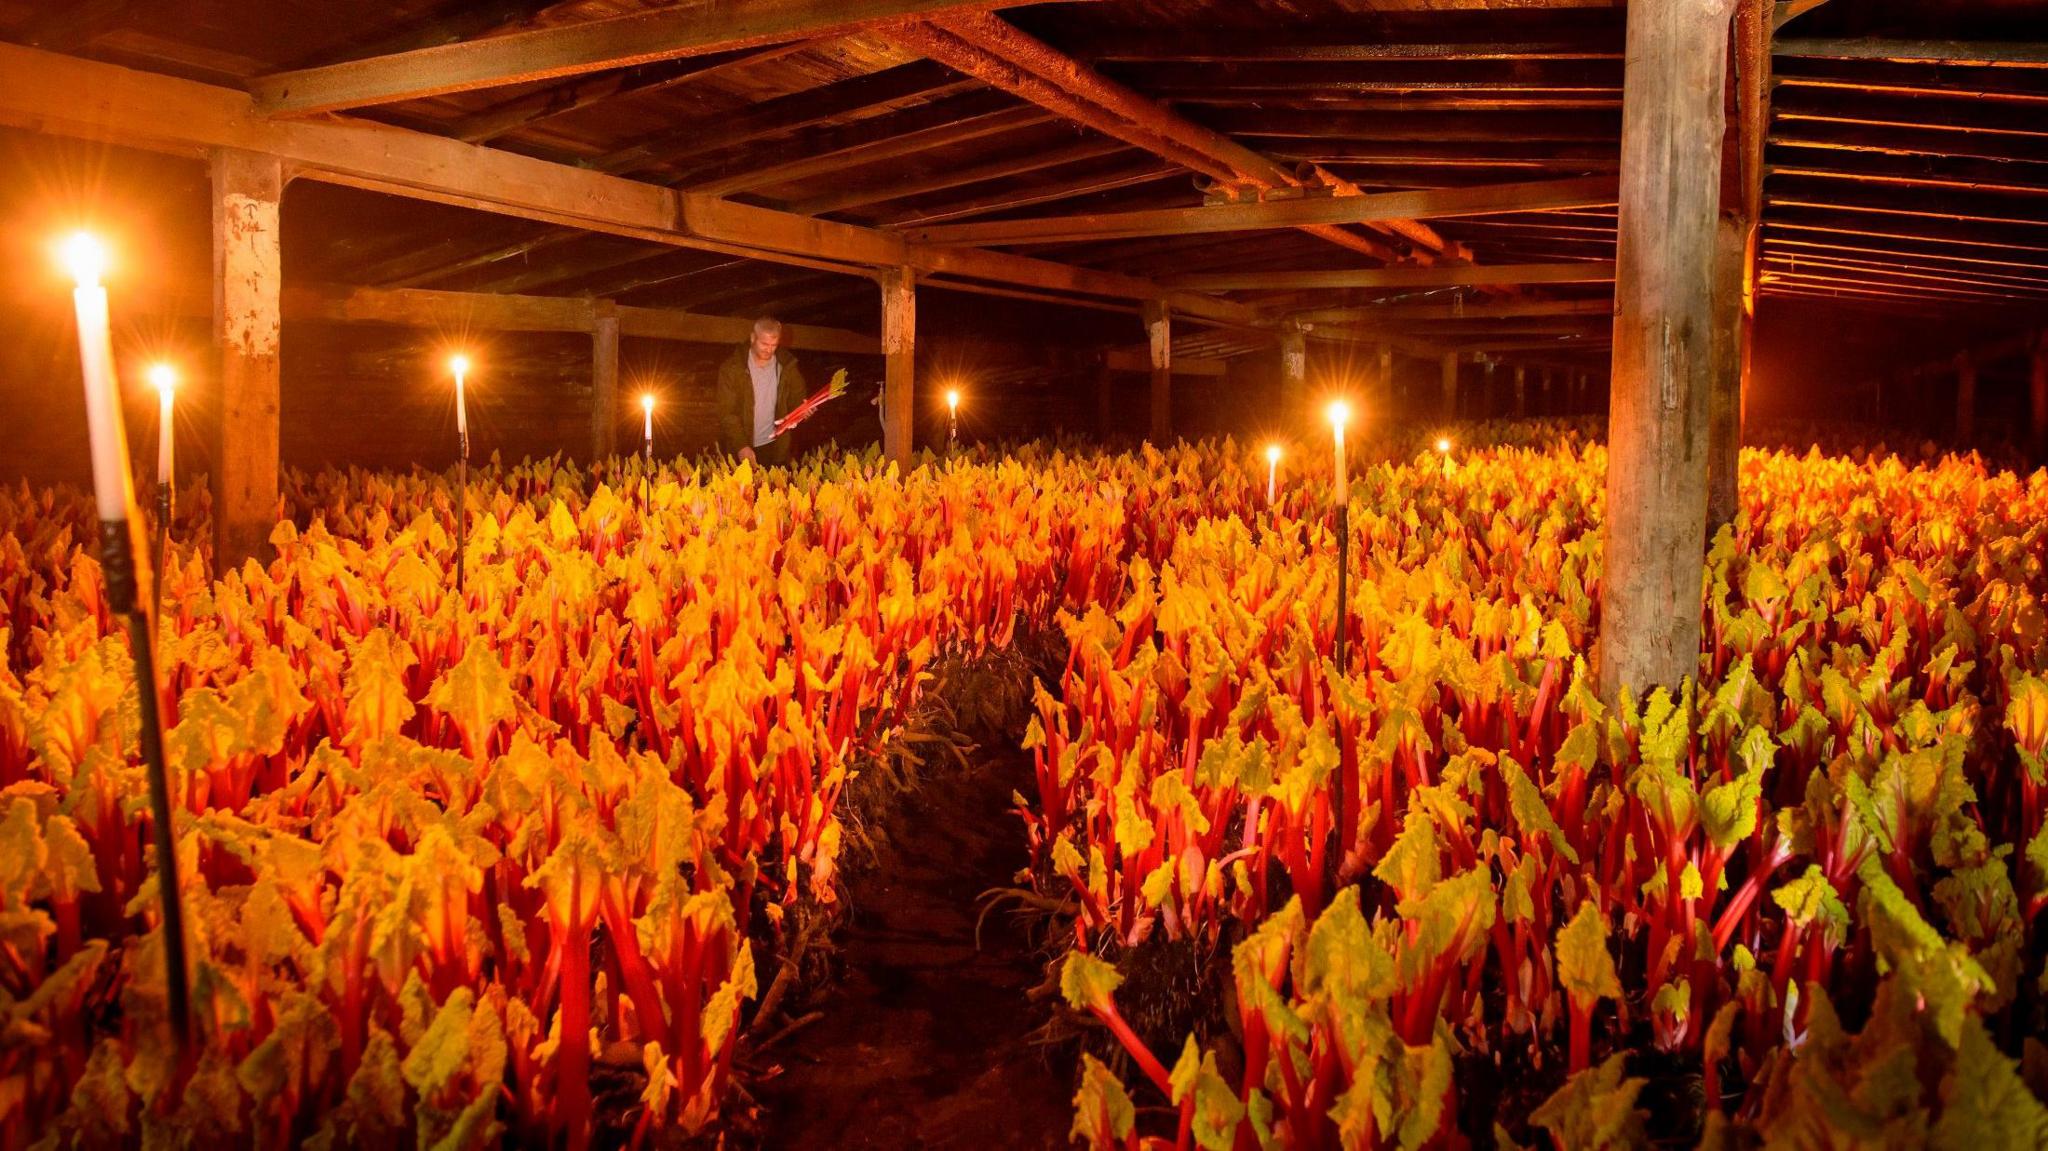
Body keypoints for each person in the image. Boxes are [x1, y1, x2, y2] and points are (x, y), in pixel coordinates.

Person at [716, 317, 808, 467]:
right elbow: (726, 412)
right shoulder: (732, 369)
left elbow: (797, 400)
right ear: (753, 338)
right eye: (764, 344)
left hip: (774, 446)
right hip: (742, 445)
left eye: (774, 345)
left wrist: (803, 411)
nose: (769, 349)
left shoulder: (788, 368)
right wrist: (741, 445)